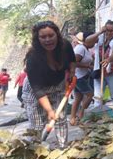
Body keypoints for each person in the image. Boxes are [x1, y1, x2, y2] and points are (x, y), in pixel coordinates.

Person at [22, 21, 76, 149]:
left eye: (51, 35)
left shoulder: (65, 46)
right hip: (35, 91)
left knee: (61, 120)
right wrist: (49, 110)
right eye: (43, 37)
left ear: (57, 35)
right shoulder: (33, 58)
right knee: (37, 125)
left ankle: (63, 148)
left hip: (59, 85)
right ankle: (33, 151)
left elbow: (72, 60)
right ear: (37, 38)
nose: (48, 40)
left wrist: (72, 74)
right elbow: (38, 89)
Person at [84, 20, 113, 107]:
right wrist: (100, 32)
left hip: (112, 72)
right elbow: (87, 41)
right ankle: (97, 115)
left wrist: (108, 59)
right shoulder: (100, 39)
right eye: (107, 30)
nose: (109, 33)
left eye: (111, 31)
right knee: (97, 97)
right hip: (99, 72)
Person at [69, 32, 94, 126]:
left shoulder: (85, 49)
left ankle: (72, 118)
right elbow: (74, 63)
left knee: (78, 98)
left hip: (81, 76)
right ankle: (80, 115)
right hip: (78, 77)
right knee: (90, 95)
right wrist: (88, 66)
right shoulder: (80, 48)